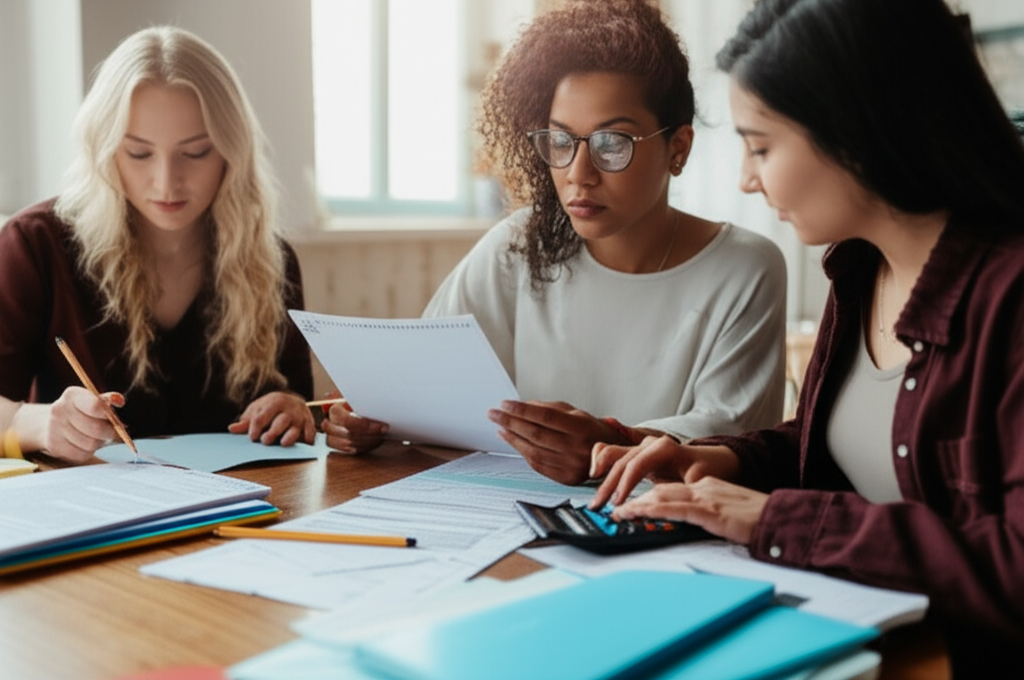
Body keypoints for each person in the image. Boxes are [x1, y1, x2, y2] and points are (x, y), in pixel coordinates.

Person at [589, 0, 1024, 673]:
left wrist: (774, 523)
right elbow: (846, 446)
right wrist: (722, 462)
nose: (746, 178)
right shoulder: (860, 270)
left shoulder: (1010, 296)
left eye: (760, 145)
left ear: (857, 128)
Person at [323, 0, 787, 485]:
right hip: (510, 516)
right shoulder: (520, 244)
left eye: (612, 144)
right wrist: (368, 419)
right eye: (561, 141)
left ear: (678, 148)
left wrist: (605, 443)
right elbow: (419, 385)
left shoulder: (744, 268)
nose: (577, 175)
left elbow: (731, 434)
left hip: (660, 526)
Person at [0, 26, 315, 464]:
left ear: (231, 151)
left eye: (196, 152)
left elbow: (298, 403)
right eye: (139, 153)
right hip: (92, 516)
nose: (167, 182)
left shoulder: (270, 261)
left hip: (243, 514)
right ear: (104, 150)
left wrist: (293, 408)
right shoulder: (34, 244)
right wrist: (33, 423)